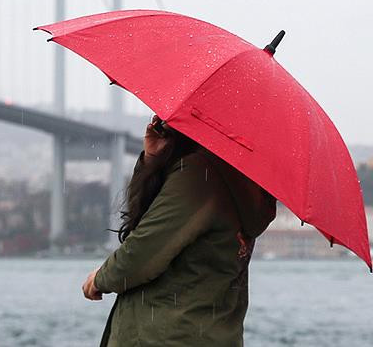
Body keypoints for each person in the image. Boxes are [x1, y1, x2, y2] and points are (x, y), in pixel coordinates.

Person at [81, 115, 276, 346]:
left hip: (162, 335)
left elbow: (144, 250)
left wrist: (101, 278)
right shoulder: (247, 183)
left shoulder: (199, 175)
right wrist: (153, 161)